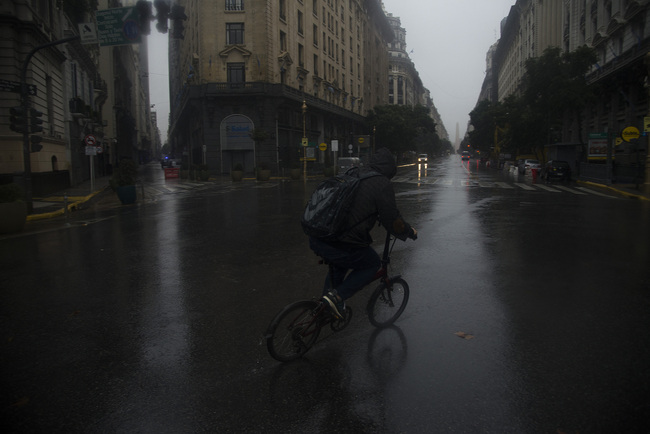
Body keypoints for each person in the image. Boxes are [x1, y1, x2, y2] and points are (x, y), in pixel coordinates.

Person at [308, 147, 417, 319]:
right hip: (340, 240)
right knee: (372, 263)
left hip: (319, 234)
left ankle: (324, 307)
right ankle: (336, 298)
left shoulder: (354, 172)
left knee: (340, 262)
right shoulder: (382, 183)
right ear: (390, 169)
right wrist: (409, 231)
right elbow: (392, 219)